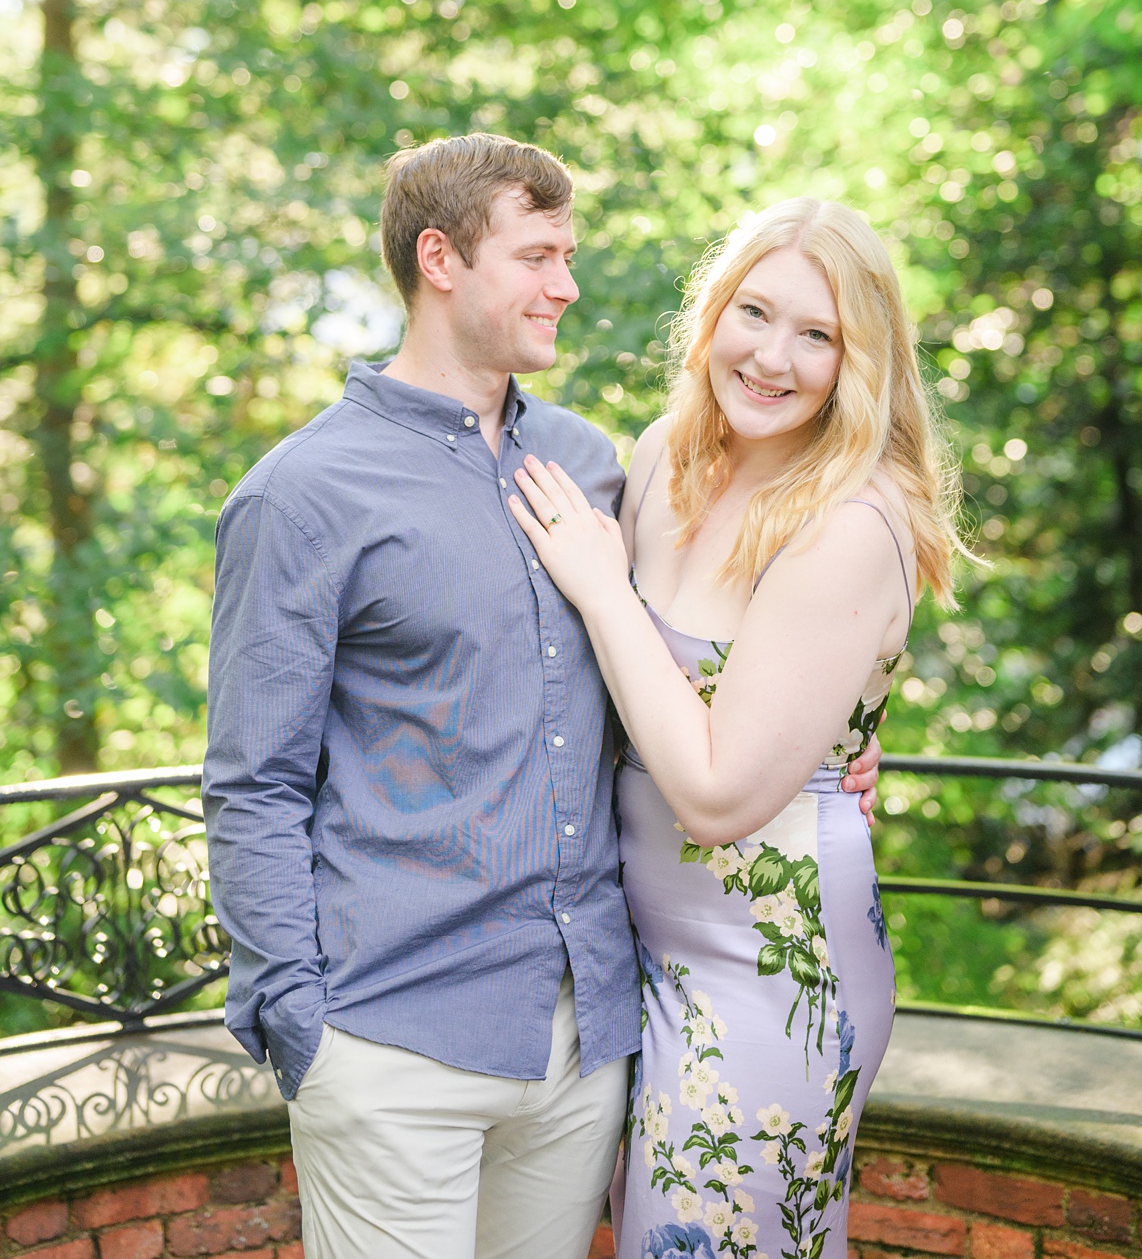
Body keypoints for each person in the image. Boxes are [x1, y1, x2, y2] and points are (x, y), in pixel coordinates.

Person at [203, 136, 877, 1259]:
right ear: (441, 259)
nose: (567, 284)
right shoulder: (302, 494)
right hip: (391, 1042)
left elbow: (674, 682)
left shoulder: (586, 465)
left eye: (570, 252)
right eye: (538, 255)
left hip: (587, 1041)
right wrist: (299, 1021)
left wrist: (836, 749)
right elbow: (253, 783)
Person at [506, 195, 960, 1259]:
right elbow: (622, 693)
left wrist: (604, 587)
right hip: (638, 954)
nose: (772, 356)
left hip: (771, 969)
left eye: (819, 334)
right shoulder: (667, 454)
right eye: (754, 313)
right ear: (711, 314)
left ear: (864, 361)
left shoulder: (849, 519)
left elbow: (715, 794)